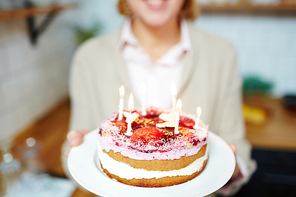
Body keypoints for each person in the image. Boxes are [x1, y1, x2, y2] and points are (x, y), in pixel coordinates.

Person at [63, 0, 256, 196]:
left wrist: (227, 166)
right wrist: (77, 151)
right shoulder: (88, 57)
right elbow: (72, 157)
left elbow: (237, 148)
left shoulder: (221, 53)